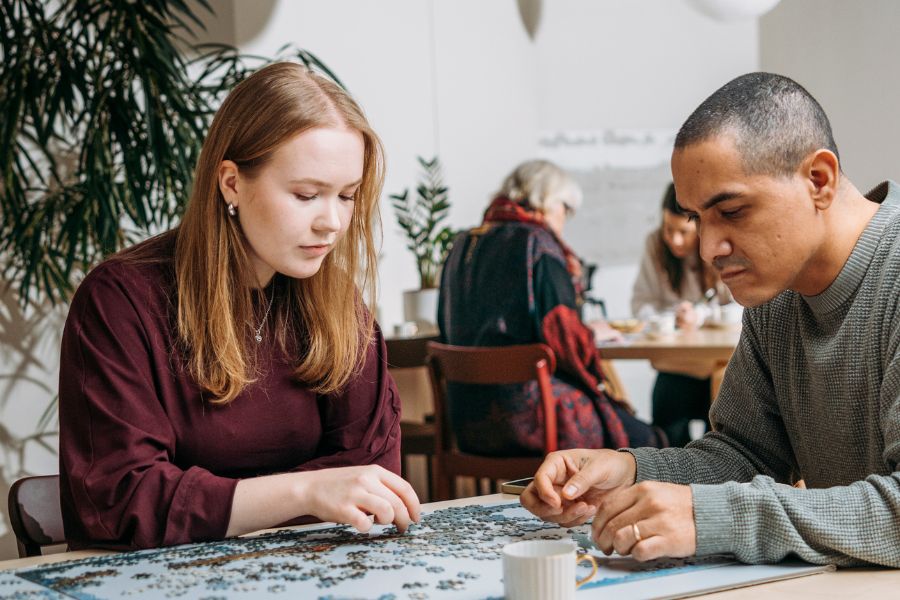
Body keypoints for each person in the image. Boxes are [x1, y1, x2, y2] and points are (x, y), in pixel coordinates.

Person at [520, 72, 900, 568]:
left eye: (734, 211)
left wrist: (712, 517)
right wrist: (629, 470)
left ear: (818, 181)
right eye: (697, 217)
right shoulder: (776, 299)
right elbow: (744, 456)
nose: (707, 248)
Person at [58, 62, 420, 550]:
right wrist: (306, 489)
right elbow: (124, 501)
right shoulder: (121, 301)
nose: (332, 222)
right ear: (231, 182)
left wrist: (209, 498)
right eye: (306, 194)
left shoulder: (335, 301)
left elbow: (372, 471)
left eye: (347, 196)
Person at [437, 160, 664, 457]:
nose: (565, 218)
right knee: (652, 442)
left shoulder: (462, 244)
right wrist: (588, 335)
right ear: (545, 201)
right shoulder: (538, 244)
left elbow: (445, 324)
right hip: (535, 422)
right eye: (565, 208)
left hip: (467, 422)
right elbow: (566, 340)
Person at [631, 183, 734, 446]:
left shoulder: (720, 246)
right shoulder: (655, 245)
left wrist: (702, 316)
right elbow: (641, 303)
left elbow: (744, 310)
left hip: (717, 368)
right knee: (667, 443)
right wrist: (667, 317)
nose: (674, 240)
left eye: (684, 232)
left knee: (719, 445)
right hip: (674, 367)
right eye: (668, 229)